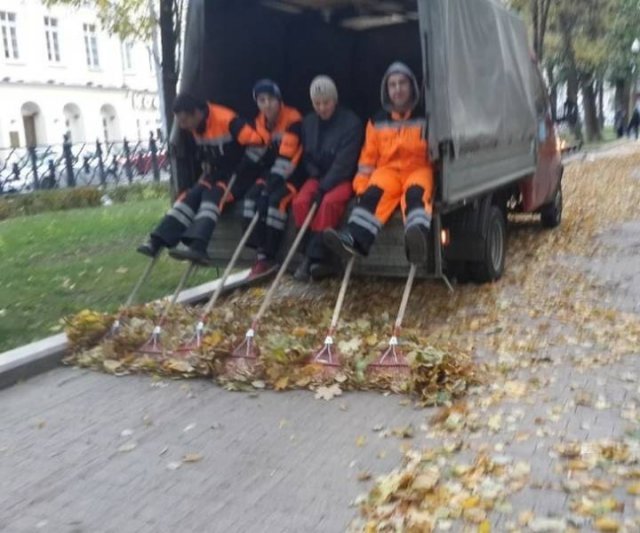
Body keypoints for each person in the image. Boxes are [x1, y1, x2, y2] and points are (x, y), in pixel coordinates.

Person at [137, 86, 294, 265]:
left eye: (184, 120)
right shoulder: (194, 126)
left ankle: (199, 247)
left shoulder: (227, 120)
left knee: (211, 199)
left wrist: (242, 168)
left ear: (196, 113)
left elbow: (259, 144)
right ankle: (157, 241)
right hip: (216, 173)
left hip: (239, 177)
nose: (182, 126)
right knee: (189, 198)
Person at [323, 62, 434, 265]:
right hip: (388, 172)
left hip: (418, 169)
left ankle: (416, 242)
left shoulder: (427, 118)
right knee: (372, 196)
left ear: (412, 87)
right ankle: (352, 240)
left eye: (402, 83)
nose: (398, 89)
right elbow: (368, 160)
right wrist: (361, 189)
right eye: (392, 85)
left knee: (415, 196)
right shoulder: (376, 121)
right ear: (386, 90)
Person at [290, 76, 363, 281]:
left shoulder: (351, 123)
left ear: (335, 100)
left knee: (329, 204)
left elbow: (344, 163)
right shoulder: (309, 122)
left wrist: (323, 188)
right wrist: (315, 178)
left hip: (342, 178)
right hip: (318, 176)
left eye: (326, 102)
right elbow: (307, 155)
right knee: (301, 202)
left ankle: (316, 259)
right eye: (317, 103)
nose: (322, 108)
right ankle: (308, 255)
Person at [242, 86, 305, 277]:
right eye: (261, 100)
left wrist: (269, 187)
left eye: (270, 99)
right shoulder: (259, 123)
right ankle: (258, 252)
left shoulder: (293, 118)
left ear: (279, 100)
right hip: (270, 173)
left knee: (274, 202)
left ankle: (269, 254)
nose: (267, 104)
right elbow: (255, 153)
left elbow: (287, 155)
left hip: (293, 172)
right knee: (251, 198)